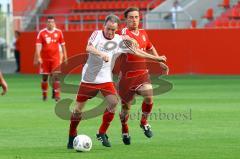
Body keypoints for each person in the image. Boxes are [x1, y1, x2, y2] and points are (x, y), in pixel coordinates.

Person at [67, 14, 166, 148]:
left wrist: (157, 59)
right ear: (104, 26)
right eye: (108, 29)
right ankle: (72, 135)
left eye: (113, 30)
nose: (110, 32)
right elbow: (89, 48)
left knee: (113, 102)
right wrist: (101, 54)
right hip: (89, 79)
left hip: (105, 80)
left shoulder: (119, 40)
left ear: (117, 29)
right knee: (78, 109)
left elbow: (137, 51)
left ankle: (101, 132)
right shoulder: (97, 34)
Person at [118, 7, 169, 145]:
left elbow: (150, 46)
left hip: (142, 74)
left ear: (139, 19)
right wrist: (157, 59)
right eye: (131, 17)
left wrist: (159, 60)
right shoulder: (123, 32)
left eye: (136, 17)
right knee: (125, 109)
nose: (134, 20)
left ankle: (144, 122)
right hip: (127, 78)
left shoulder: (143, 33)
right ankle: (125, 128)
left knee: (149, 95)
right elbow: (128, 41)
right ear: (126, 19)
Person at [34, 16, 68, 101]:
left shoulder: (59, 32)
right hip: (45, 59)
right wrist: (38, 57)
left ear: (54, 23)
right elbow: (38, 46)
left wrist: (65, 56)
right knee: (45, 77)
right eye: (49, 22)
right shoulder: (41, 33)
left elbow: (63, 45)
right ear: (46, 23)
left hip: (55, 59)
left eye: (52, 22)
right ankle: (44, 94)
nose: (50, 23)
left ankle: (57, 95)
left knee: (56, 76)